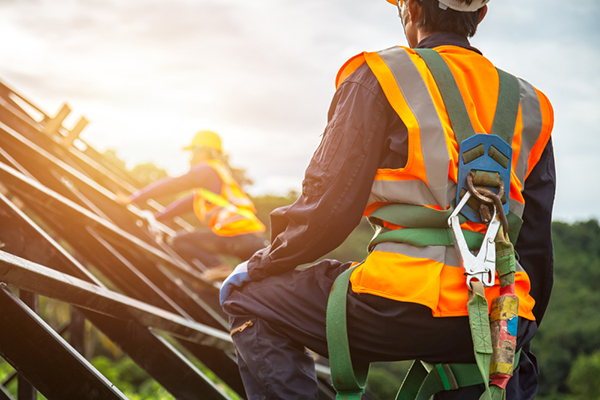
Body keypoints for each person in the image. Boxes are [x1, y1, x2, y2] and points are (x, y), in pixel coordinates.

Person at [220, 0, 555, 399]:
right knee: (503, 368)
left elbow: (328, 209)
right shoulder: (531, 104)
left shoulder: (381, 76)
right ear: (480, 15)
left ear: (411, 9)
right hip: (499, 314)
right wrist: (517, 328)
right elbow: (534, 246)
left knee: (247, 298)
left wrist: (264, 264)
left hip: (399, 303)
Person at [127, 130, 267, 280]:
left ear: (202, 151)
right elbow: (181, 205)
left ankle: (219, 268)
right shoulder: (215, 181)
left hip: (237, 236)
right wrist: (156, 218)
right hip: (255, 239)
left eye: (192, 151)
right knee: (254, 282)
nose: (190, 157)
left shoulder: (206, 169)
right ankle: (221, 274)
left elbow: (173, 184)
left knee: (179, 240)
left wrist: (134, 198)